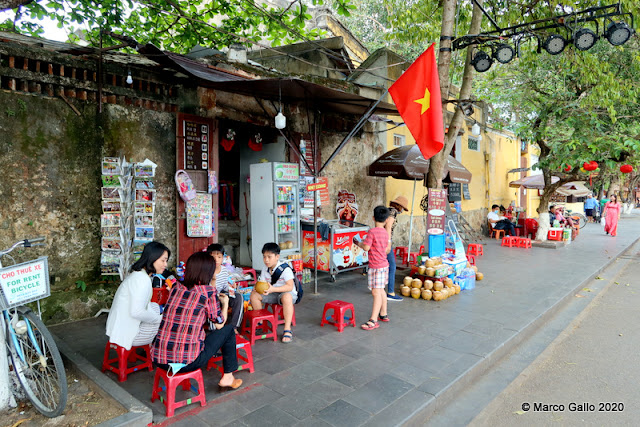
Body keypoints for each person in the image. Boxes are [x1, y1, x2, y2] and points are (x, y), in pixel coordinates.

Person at [152, 252, 241, 390]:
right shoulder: (207, 293)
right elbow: (219, 324)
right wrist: (225, 303)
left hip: (159, 358)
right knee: (228, 330)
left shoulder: (176, 288)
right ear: (209, 272)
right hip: (188, 362)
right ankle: (228, 377)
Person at [105, 241, 168, 350]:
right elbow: (137, 312)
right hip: (128, 335)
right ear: (152, 258)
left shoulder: (139, 275)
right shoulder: (141, 280)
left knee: (155, 307)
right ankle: (161, 353)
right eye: (163, 260)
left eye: (166, 261)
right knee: (166, 322)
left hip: (119, 327)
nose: (165, 265)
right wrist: (160, 319)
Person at [250, 243, 297, 343]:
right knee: (254, 295)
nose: (266, 260)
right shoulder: (264, 269)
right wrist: (257, 288)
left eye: (269, 257)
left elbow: (290, 286)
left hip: (286, 293)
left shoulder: (285, 269)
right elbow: (262, 284)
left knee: (287, 297)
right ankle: (261, 321)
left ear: (277, 257)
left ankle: (287, 329)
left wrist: (272, 290)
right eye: (264, 257)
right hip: (272, 293)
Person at [353, 206, 391, 330]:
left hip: (376, 266)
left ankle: (373, 320)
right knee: (381, 290)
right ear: (386, 220)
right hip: (384, 265)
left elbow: (366, 248)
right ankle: (383, 313)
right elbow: (385, 249)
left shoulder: (372, 232)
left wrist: (358, 243)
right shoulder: (385, 233)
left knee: (376, 292)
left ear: (373, 218)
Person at [206, 243, 243, 331]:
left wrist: (231, 286)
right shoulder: (206, 271)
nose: (216, 260)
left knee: (238, 297)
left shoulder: (224, 270)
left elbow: (225, 286)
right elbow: (207, 290)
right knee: (212, 301)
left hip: (221, 294)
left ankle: (233, 327)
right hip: (210, 297)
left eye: (219, 257)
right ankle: (214, 329)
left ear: (223, 258)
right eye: (213, 257)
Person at [385, 195, 409, 302]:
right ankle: (390, 292)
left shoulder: (387, 210)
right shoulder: (393, 212)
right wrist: (388, 242)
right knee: (392, 266)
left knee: (381, 265)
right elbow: (388, 227)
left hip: (380, 240)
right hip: (385, 241)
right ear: (398, 206)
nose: (403, 210)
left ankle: (376, 288)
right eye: (403, 207)